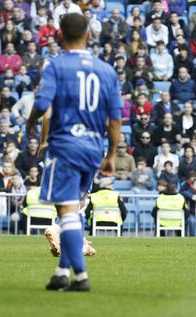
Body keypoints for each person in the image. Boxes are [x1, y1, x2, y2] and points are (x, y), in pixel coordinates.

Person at [27, 14, 121, 292]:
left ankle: (79, 276)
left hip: (65, 146)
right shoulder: (106, 70)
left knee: (67, 211)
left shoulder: (56, 66)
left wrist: (31, 122)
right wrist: (112, 155)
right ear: (89, 36)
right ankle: (61, 273)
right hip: (93, 150)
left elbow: (44, 103)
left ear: (60, 37)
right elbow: (114, 120)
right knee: (76, 209)